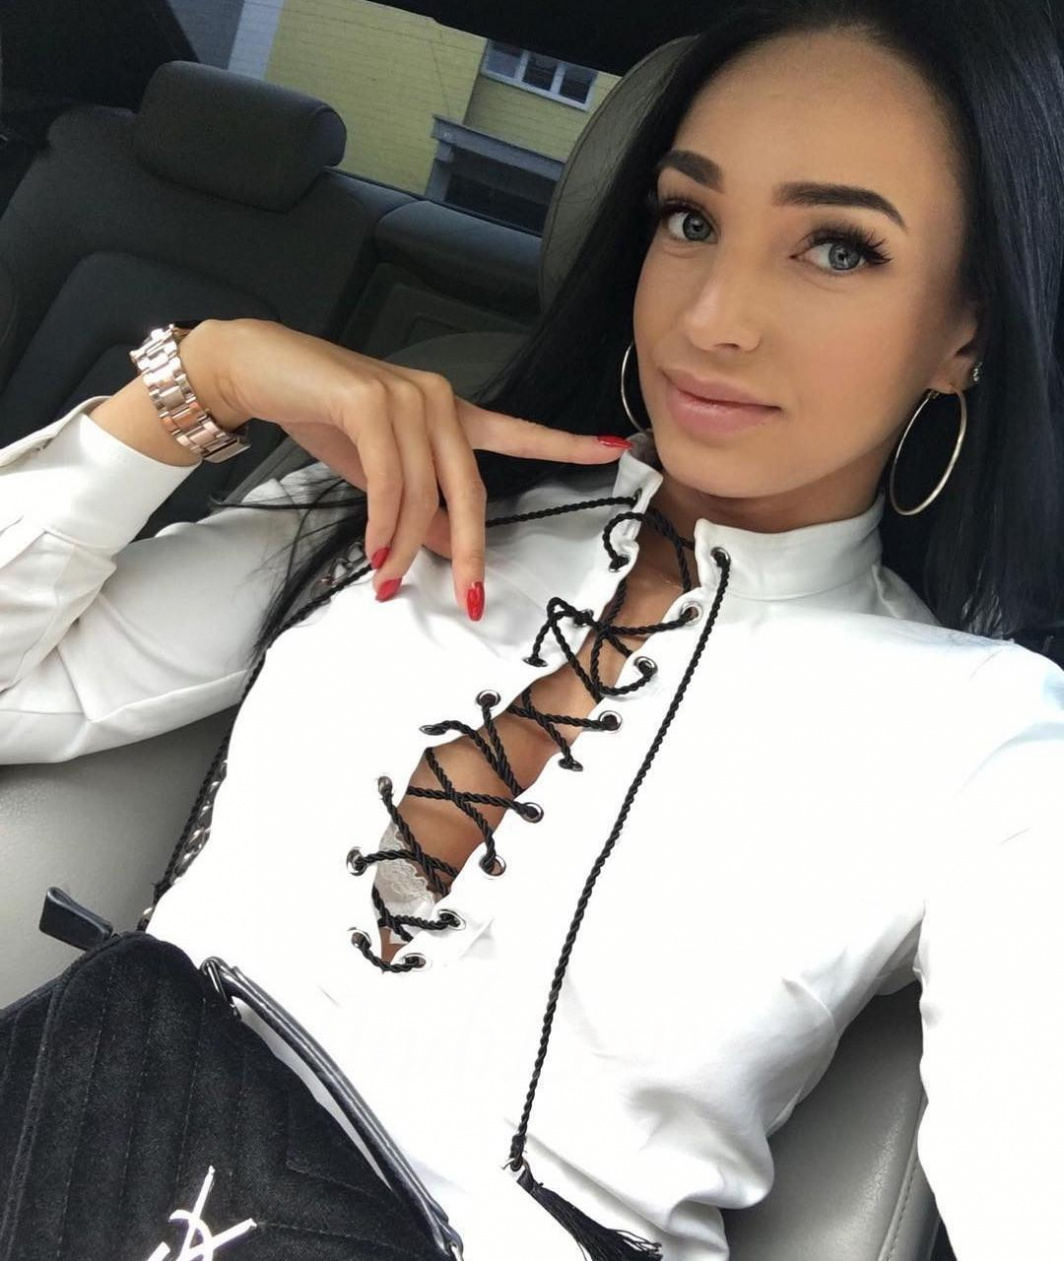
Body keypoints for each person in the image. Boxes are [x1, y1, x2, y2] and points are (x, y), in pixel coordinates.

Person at [2, 1, 1063, 1258]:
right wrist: (206, 378)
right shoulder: (406, 492)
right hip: (72, 1152)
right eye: (689, 219)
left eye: (836, 249)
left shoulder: (988, 741)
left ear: (963, 328)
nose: (712, 316)